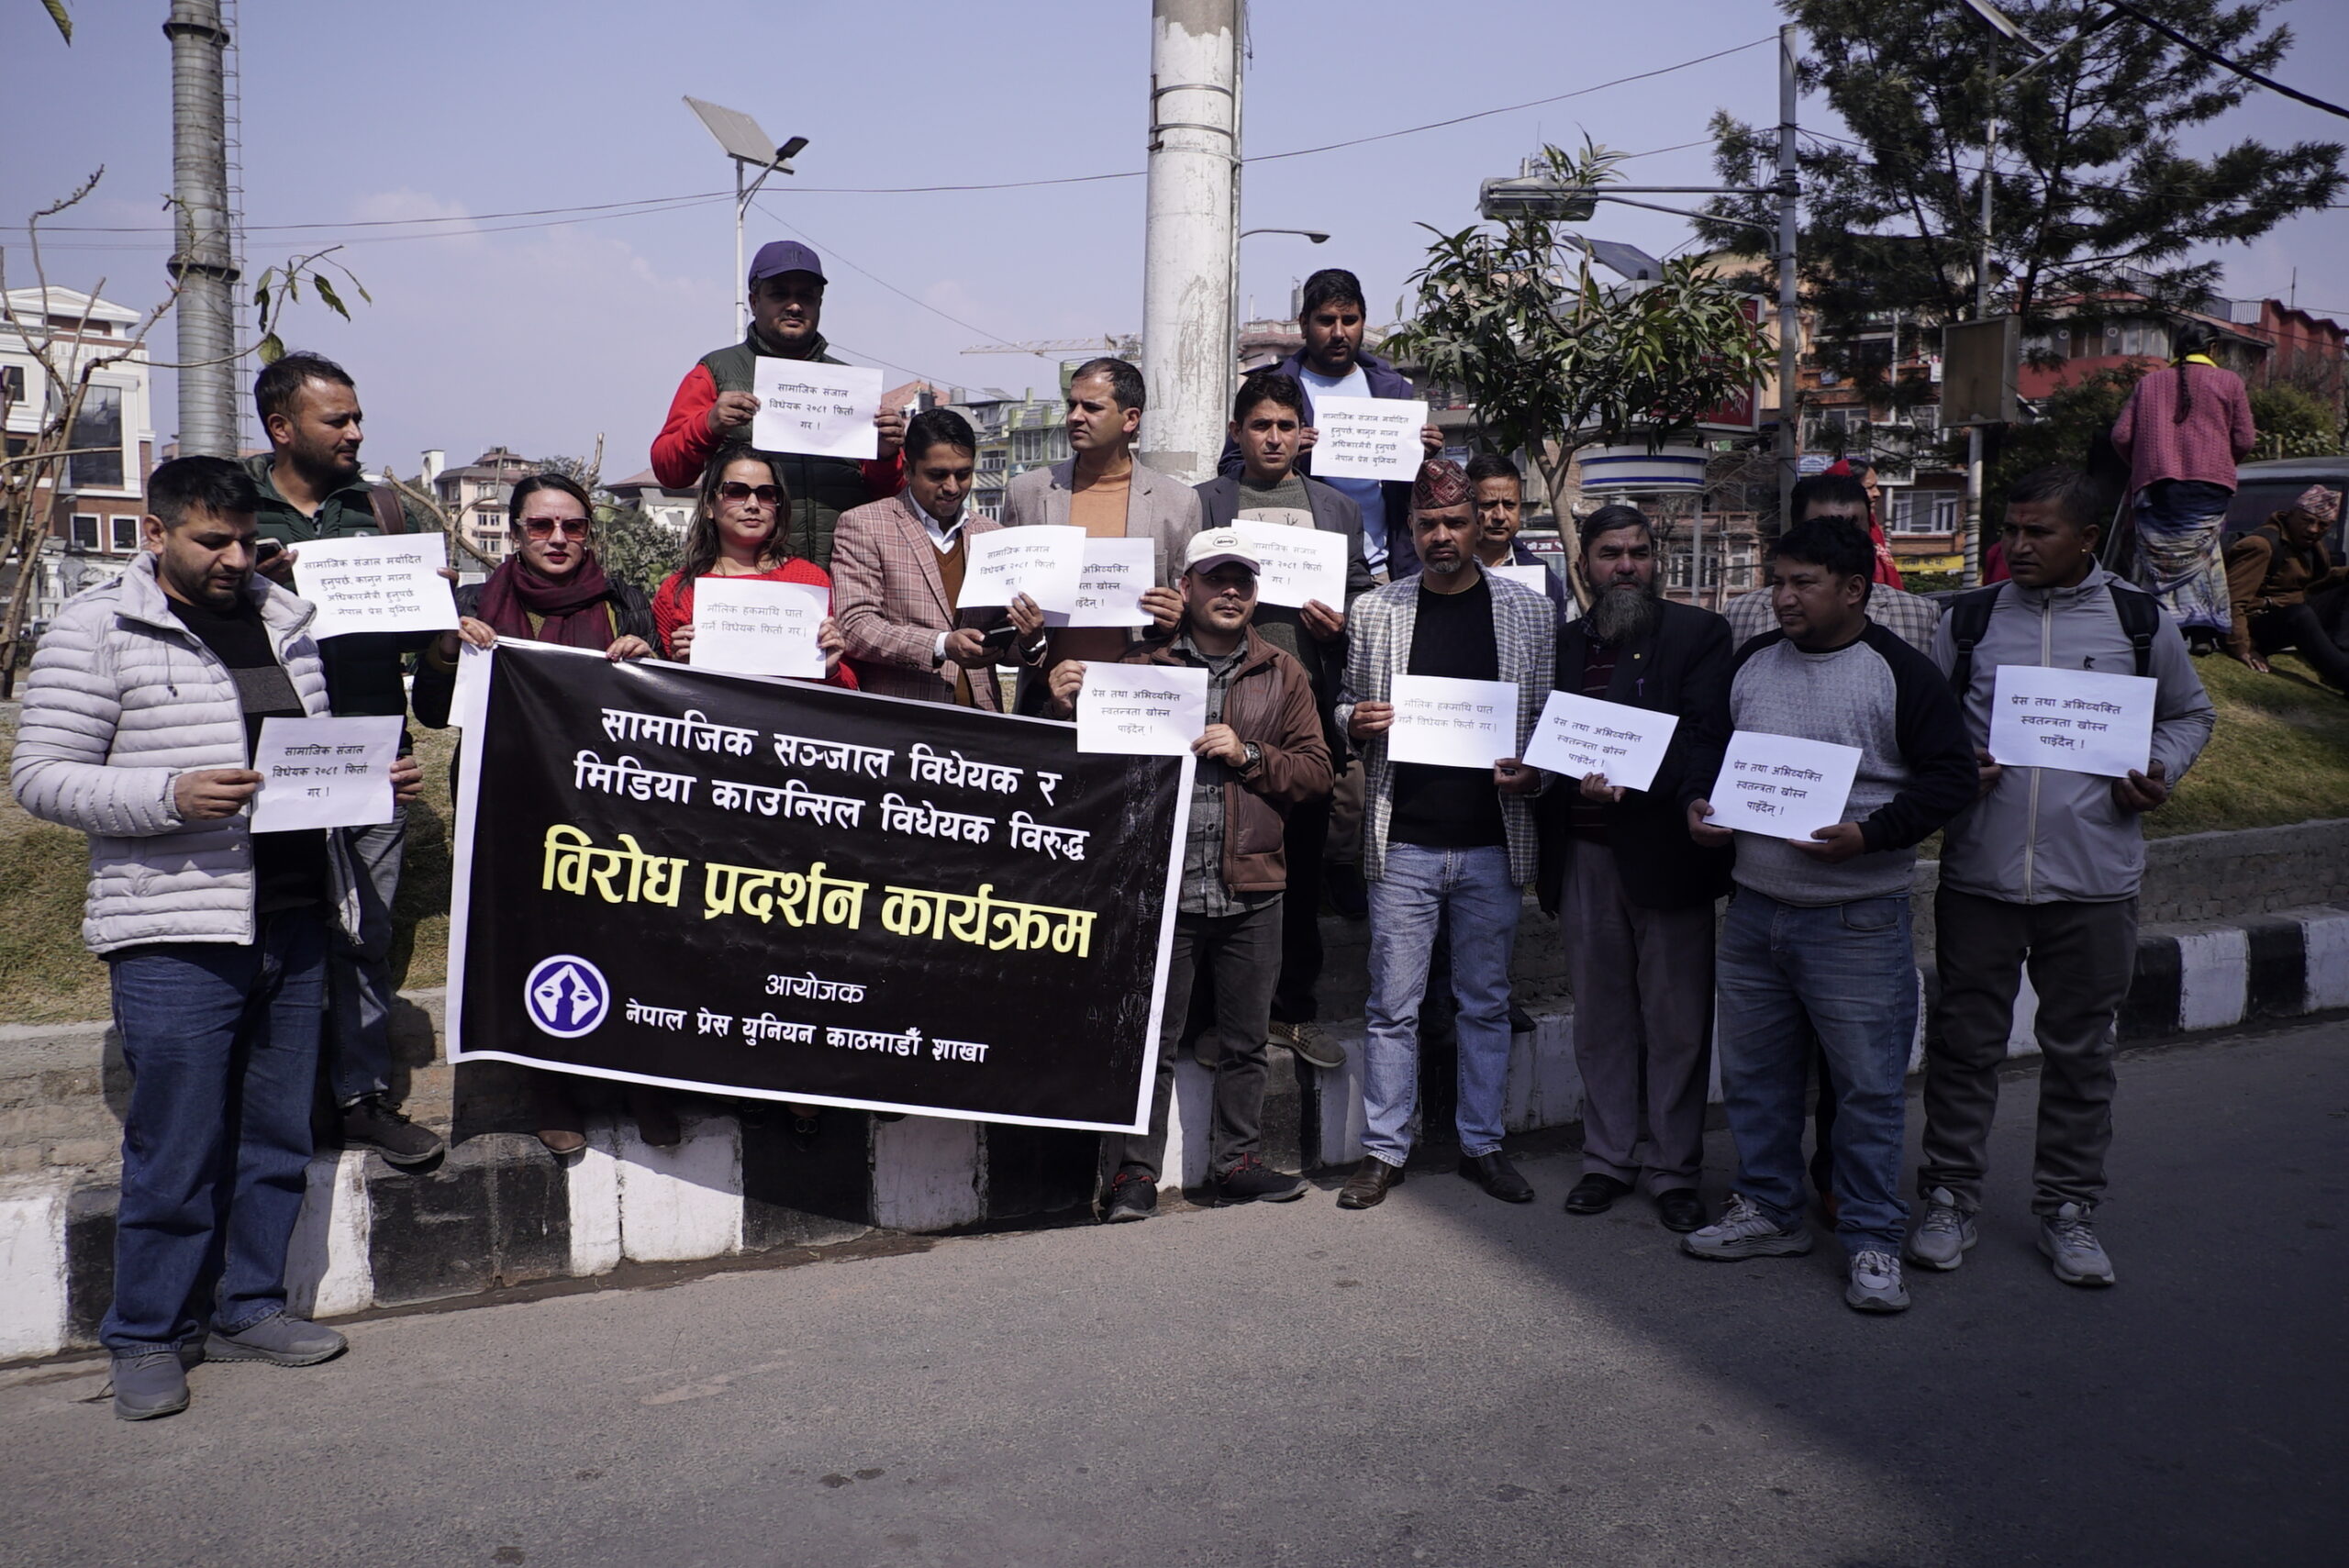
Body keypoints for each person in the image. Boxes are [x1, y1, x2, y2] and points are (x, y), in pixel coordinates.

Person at [12, 457, 427, 1419]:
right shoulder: (97, 629)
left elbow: (304, 763)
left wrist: (371, 782)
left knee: (276, 1131)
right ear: (155, 535)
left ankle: (248, 1304)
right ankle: (147, 1331)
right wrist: (168, 795)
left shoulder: (286, 620)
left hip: (292, 917)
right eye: (213, 541)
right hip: (175, 929)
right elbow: (37, 775)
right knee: (177, 1140)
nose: (237, 556)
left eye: (245, 538)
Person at [1916, 469, 2216, 1288]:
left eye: (2038, 531)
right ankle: (1949, 1194)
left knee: (2082, 1053)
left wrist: (2162, 768)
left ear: (2087, 539)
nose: (2017, 545)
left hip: (2095, 884)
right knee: (1963, 1047)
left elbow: (2192, 714)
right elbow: (1925, 725)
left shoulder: (2136, 618)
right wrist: (1953, 770)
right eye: (2011, 529)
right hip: (1980, 878)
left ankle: (2070, 1208)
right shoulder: (1970, 620)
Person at [1680, 517, 1975, 1313]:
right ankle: (1769, 1208)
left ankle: (1875, 1238)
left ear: (1854, 590)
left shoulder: (1899, 673)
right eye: (1777, 580)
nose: (1782, 597)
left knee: (1869, 1088)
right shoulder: (1751, 665)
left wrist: (1870, 835)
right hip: (1755, 911)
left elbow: (1951, 780)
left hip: (1855, 919)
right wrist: (1698, 802)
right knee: (1756, 1080)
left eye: (1801, 582)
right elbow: (1708, 747)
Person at [1048, 530, 1333, 1219]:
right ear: (1187, 588)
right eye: (1216, 578)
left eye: (1242, 580)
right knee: (1151, 1042)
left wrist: (1253, 753)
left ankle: (1237, 1162)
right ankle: (1134, 1177)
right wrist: (1066, 700)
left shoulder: (1282, 672)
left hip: (1253, 884)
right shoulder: (1140, 664)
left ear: (1257, 593)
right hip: (1161, 887)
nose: (1230, 591)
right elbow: (1091, 771)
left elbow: (1319, 771)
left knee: (1244, 1042)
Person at [408, 473, 672, 1156]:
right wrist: (443, 649)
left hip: (608, 801)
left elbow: (661, 708)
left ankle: (640, 1078)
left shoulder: (624, 602)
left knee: (623, 936)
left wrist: (650, 656)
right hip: (509, 797)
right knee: (534, 942)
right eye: (541, 526)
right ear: (517, 531)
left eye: (574, 527)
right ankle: (550, 1091)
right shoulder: (474, 602)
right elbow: (437, 712)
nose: (558, 539)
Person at [1331, 459, 1555, 1210]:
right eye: (1426, 524)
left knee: (1485, 1001)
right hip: (1404, 843)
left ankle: (1482, 1144)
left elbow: (1548, 724)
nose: (1441, 536)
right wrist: (1352, 720)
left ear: (1480, 525)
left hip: (1493, 840)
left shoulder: (1527, 612)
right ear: (1410, 530)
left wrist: (1537, 773)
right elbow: (1344, 704)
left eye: (1455, 523)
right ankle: (1384, 1149)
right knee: (1391, 1004)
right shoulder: (1377, 611)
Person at [241, 352, 447, 1170]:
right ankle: (277, 1106)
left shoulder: (383, 511)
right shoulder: (231, 508)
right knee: (273, 935)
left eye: (359, 417)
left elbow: (425, 678)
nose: (357, 433)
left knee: (364, 932)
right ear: (282, 427)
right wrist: (247, 587)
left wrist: (437, 635)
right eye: (339, 420)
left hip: (373, 759)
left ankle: (362, 1098)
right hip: (264, 763)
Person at [1535, 504, 1732, 1234]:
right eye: (1611, 553)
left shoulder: (1698, 635)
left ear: (1657, 561)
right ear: (1582, 563)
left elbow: (1709, 736)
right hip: (1584, 853)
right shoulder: (1562, 644)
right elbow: (1546, 735)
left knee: (1677, 1021)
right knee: (1602, 1017)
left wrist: (1640, 774)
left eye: (1640, 553)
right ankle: (1608, 1158)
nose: (1626, 566)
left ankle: (1675, 1168)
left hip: (1667, 856)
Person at [1197, 371, 1375, 1073]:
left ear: (1305, 432)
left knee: (1298, 874)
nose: (1273, 438)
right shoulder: (1207, 501)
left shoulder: (1335, 508)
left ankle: (1292, 1013)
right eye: (1260, 425)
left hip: (1301, 709)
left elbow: (1360, 593)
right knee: (1215, 868)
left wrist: (1338, 630)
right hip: (1222, 705)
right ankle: (1214, 1021)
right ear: (1238, 432)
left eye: (1285, 425)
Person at [650, 239, 907, 568]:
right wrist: (708, 425)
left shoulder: (851, 386)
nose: (795, 305)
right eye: (779, 294)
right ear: (754, 301)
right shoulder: (714, 373)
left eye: (806, 296)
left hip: (844, 575)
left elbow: (888, 499)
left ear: (819, 303)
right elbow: (668, 471)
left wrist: (886, 455)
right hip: (751, 578)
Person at [1219, 267, 1444, 577]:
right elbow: (1229, 471)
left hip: (1380, 567)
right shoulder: (1269, 388)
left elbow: (1411, 488)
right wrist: (1284, 459)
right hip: (1297, 566)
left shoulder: (1393, 389)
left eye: (1349, 321)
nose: (1339, 333)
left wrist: (1424, 456)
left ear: (1362, 323)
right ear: (1303, 324)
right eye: (1326, 321)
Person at [1002, 356, 1200, 695]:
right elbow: (1001, 610)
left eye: (1092, 407)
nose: (1076, 417)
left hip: (1137, 697)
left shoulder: (1178, 502)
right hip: (1047, 697)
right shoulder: (1026, 493)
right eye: (1072, 405)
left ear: (1131, 418)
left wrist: (1178, 616)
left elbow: (1197, 611)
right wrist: (1027, 637)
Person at [831, 408, 1042, 708]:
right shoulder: (865, 526)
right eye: (937, 475)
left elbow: (1003, 647)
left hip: (980, 722)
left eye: (963, 474)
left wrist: (1029, 638)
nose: (953, 487)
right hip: (902, 723)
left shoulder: (992, 535)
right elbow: (854, 626)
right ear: (907, 470)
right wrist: (941, 645)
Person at [2110, 320, 2256, 654]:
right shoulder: (2230, 382)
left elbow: (2120, 436)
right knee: (2203, 555)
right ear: (2213, 349)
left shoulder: (2149, 384)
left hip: (2156, 482)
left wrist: (2141, 462)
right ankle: (2202, 633)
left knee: (2157, 557)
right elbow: (2245, 439)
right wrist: (2219, 459)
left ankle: (2156, 626)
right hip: (2210, 485)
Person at [650, 449, 852, 686]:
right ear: (708, 506)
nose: (753, 505)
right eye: (736, 492)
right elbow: (662, 692)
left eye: (767, 494)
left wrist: (830, 669)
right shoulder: (677, 591)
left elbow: (848, 685)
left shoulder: (811, 581)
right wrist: (679, 665)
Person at [1725, 473, 1940, 653]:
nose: (1844, 539)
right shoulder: (1743, 613)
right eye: (1826, 529)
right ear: (1798, 529)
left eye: (1855, 527)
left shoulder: (1917, 614)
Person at [2222, 483, 2349, 693]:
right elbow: (2231, 601)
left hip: (2288, 612)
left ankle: (2339, 661)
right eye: (2307, 521)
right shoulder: (2261, 545)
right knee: (2300, 615)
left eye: (2322, 525)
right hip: (2254, 625)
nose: (2313, 529)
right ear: (2292, 515)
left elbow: (2314, 585)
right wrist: (2242, 647)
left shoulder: (2315, 548)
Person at [1469, 452, 1574, 628]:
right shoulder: (1442, 571)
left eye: (1509, 505)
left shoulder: (1543, 579)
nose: (1500, 516)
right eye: (1488, 504)